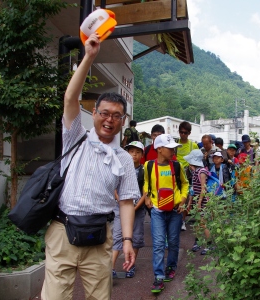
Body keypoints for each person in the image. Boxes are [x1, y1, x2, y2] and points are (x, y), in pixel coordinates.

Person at [41, 33, 139, 300]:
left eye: (116, 116)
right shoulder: (76, 137)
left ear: (123, 121)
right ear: (94, 113)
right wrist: (89, 57)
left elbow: (127, 202)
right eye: (104, 113)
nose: (109, 120)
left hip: (99, 237)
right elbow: (70, 99)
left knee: (100, 297)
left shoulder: (123, 159)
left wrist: (127, 240)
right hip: (63, 231)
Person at [144, 134, 189, 294]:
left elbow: (185, 184)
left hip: (176, 211)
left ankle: (171, 267)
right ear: (159, 149)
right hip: (157, 211)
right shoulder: (148, 166)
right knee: (158, 244)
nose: (173, 150)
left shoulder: (177, 166)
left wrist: (183, 199)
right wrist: (147, 196)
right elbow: (146, 183)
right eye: (170, 148)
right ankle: (158, 277)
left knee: (174, 241)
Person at [112, 141, 146, 279]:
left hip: (138, 208)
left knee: (136, 238)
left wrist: (135, 206)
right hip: (120, 206)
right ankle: (111, 267)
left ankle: (130, 266)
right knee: (117, 236)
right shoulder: (120, 168)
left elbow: (146, 192)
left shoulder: (144, 170)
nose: (134, 154)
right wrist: (120, 201)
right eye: (131, 151)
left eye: (137, 152)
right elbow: (114, 186)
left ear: (142, 155)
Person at [183, 150, 210, 254]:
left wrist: (199, 202)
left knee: (203, 223)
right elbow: (193, 189)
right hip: (197, 201)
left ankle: (210, 245)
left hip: (203, 202)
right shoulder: (194, 172)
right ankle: (197, 242)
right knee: (198, 223)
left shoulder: (202, 171)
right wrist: (190, 203)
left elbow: (204, 188)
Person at [175, 121, 199, 231]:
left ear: (189, 133)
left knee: (186, 197)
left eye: (185, 133)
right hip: (175, 175)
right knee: (175, 197)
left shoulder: (193, 145)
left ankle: (182, 221)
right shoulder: (175, 144)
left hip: (188, 176)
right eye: (181, 132)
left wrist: (192, 166)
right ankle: (175, 220)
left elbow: (198, 160)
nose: (183, 134)